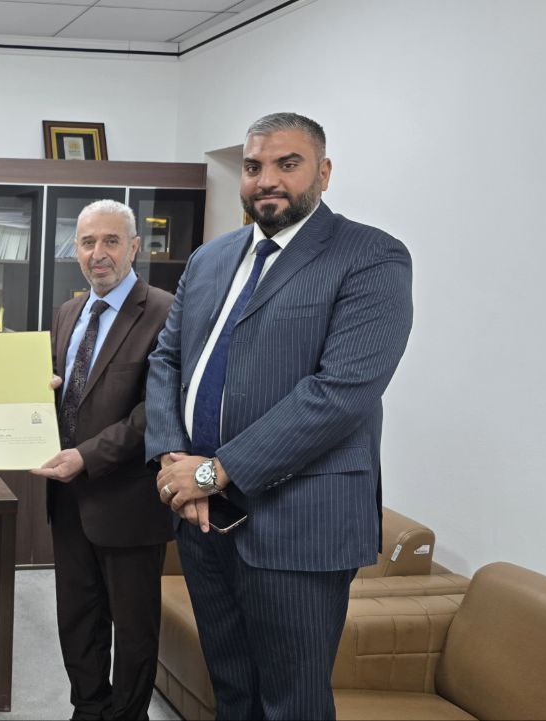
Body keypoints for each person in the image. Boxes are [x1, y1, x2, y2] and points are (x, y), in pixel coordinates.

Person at [145, 112, 413, 720]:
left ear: (324, 172)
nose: (266, 179)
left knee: (292, 703)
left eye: (287, 164)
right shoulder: (210, 259)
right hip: (203, 521)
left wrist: (211, 472)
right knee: (232, 692)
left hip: (298, 525)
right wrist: (172, 460)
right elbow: (167, 359)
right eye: (253, 166)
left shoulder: (371, 257)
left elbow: (339, 393)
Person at [31, 200, 174, 720]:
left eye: (111, 241)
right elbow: (55, 392)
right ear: (75, 249)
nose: (98, 253)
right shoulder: (67, 313)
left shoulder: (164, 311)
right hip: (68, 500)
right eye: (88, 242)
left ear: (134, 247)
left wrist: (86, 457)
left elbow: (156, 411)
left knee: (133, 631)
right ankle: (88, 709)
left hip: (128, 502)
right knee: (77, 619)